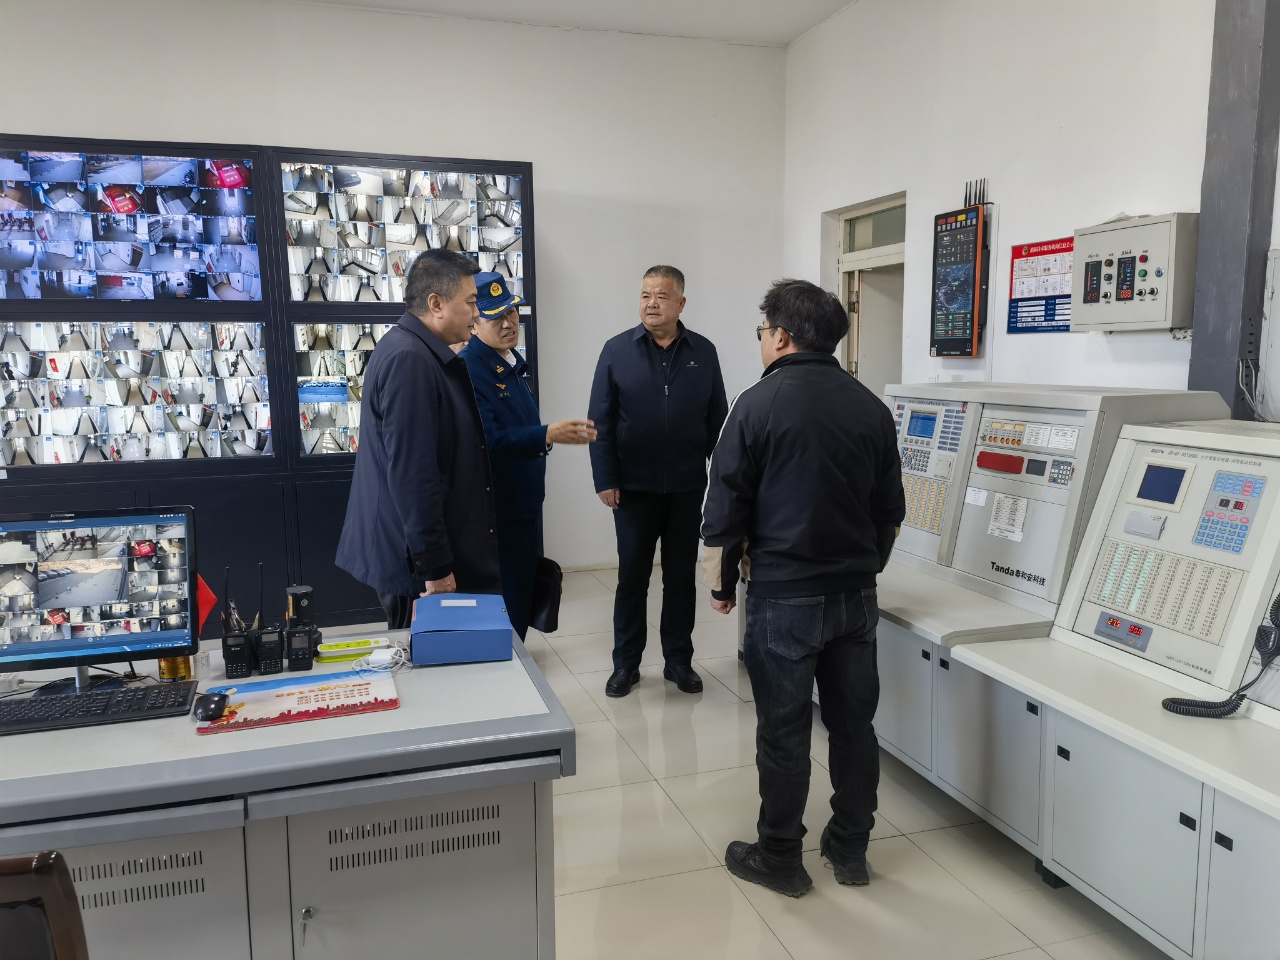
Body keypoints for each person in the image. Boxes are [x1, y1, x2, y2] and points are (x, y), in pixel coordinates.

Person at [701, 279, 906, 897]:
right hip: (855, 598)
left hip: (784, 596)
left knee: (784, 732)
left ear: (782, 336)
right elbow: (890, 509)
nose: (762, 340)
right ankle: (850, 850)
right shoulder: (871, 407)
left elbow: (724, 506)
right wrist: (866, 567)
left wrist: (721, 585)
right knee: (854, 728)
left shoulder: (756, 405)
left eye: (763, 331)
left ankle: (780, 857)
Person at [336, 250, 501, 630]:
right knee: (424, 655)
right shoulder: (409, 359)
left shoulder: (416, 350)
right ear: (436, 303)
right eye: (471, 302)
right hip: (412, 561)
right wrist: (435, 567)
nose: (477, 313)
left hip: (415, 551)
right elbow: (413, 474)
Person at [589, 265, 728, 698]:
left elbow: (718, 421)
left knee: (681, 578)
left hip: (687, 488)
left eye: (661, 296)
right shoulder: (617, 350)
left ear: (681, 303)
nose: (651, 303)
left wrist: (723, 482)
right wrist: (605, 478)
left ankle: (678, 661)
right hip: (633, 489)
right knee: (632, 578)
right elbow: (600, 421)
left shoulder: (703, 351)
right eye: (646, 295)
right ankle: (625, 664)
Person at [461, 272, 596, 639]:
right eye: (496, 317)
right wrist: (546, 434)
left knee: (523, 590)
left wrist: (543, 438)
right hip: (499, 511)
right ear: (473, 324)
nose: (509, 323)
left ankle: (516, 657)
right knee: (506, 599)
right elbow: (487, 440)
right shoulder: (471, 368)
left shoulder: (509, 361)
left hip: (525, 506)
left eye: (512, 312)